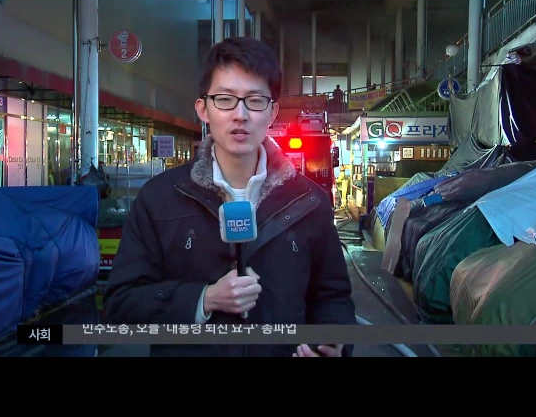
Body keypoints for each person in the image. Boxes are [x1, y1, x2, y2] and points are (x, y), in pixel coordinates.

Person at [103, 36, 356, 357]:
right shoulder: (159, 199)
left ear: (273, 112)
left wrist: (333, 343)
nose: (240, 114)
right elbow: (121, 303)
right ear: (203, 109)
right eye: (225, 99)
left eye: (255, 100)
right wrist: (203, 299)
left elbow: (333, 297)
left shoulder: (310, 202)